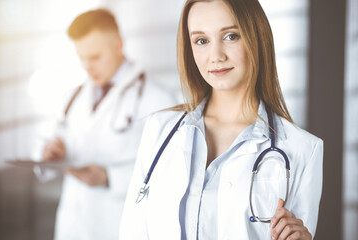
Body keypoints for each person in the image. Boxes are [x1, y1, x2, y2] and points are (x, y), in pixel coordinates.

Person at [119, 0, 323, 239]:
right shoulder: (160, 130)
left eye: (231, 36)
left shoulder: (302, 150)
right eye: (201, 41)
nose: (215, 56)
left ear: (255, 37)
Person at [39, 9, 176, 240]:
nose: (86, 66)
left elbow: (170, 173)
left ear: (118, 44)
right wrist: (50, 153)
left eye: (94, 57)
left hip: (118, 225)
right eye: (81, 57)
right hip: (72, 226)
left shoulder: (157, 99)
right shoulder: (73, 97)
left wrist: (110, 177)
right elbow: (50, 141)